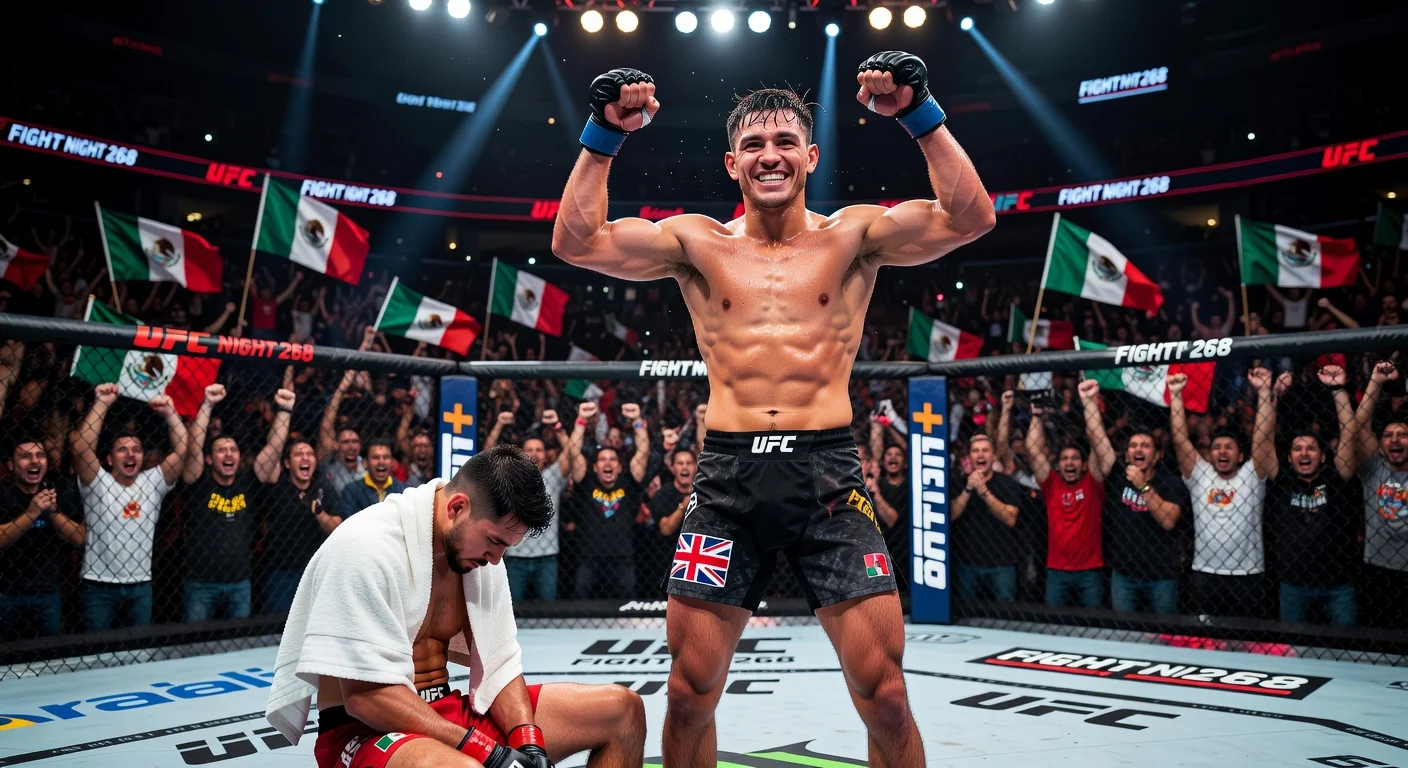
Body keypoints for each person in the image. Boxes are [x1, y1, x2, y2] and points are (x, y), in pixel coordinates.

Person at [552, 51, 994, 766]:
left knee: (885, 694)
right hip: (728, 484)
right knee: (689, 693)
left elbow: (970, 218)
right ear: (733, 163)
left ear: (810, 156)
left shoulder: (852, 236)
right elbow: (576, 242)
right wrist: (604, 134)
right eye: (754, 143)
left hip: (829, 479)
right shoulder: (696, 241)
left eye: (786, 140)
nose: (770, 155)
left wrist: (921, 114)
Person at [266, 444, 647, 768]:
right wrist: (489, 752)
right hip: (366, 731)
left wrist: (528, 743)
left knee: (623, 710)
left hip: (447, 713)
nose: (496, 560)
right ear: (457, 507)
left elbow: (500, 664)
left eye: (505, 547)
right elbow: (367, 698)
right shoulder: (365, 547)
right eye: (494, 541)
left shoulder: (475, 553)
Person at [72, 384, 189, 631]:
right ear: (109, 459)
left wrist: (170, 412)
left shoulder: (152, 481)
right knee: (97, 650)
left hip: (141, 586)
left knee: (139, 649)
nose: (130, 455)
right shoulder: (98, 482)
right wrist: (102, 403)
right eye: (122, 449)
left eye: (136, 449)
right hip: (98, 585)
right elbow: (82, 448)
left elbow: (181, 450)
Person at [180, 384, 294, 623]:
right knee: (195, 642)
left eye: (233, 450)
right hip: (201, 584)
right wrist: (207, 405)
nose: (229, 454)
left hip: (239, 583)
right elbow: (193, 448)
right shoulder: (198, 482)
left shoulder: (247, 481)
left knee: (239, 641)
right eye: (221, 450)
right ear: (210, 459)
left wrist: (284, 410)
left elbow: (274, 449)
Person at [1170, 367, 1277, 619]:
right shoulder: (1201, 474)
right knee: (1208, 637)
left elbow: (1262, 439)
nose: (1222, 451)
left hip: (1247, 575)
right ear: (1209, 454)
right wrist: (1175, 396)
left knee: (1246, 638)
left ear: (1240, 456)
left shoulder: (1251, 475)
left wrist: (1263, 391)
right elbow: (1180, 440)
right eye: (1217, 447)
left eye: (1229, 447)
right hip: (1205, 573)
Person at [1265, 364, 1359, 626]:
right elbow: (1262, 440)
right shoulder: (1282, 480)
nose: (1304, 453)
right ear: (1289, 457)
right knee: (1295, 645)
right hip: (1293, 585)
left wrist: (1338, 389)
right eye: (1297, 449)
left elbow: (1349, 434)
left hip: (1338, 585)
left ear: (1323, 456)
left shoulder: (1336, 478)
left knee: (1345, 645)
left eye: (1311, 448)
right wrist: (1272, 395)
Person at [1018, 385, 1106, 608]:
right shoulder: (1052, 484)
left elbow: (1098, 444)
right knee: (1055, 624)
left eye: (1075, 458)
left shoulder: (1093, 483)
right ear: (1058, 465)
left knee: (1093, 625)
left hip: (1090, 571)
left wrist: (1089, 404)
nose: (1069, 462)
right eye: (1065, 459)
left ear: (1084, 465)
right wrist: (1036, 416)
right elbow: (1033, 450)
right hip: (1057, 571)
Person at [0, 438, 84, 639]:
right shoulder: (2, 493)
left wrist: (53, 512)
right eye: (25, 456)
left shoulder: (59, 489)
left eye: (40, 455)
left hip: (48, 591)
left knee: (49, 651)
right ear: (11, 464)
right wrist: (32, 513)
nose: (34, 461)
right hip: (6, 591)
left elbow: (79, 538)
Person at [565, 404, 650, 599]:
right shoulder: (586, 483)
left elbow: (643, 452)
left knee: (626, 605)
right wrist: (581, 420)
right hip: (589, 558)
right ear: (595, 467)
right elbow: (574, 453)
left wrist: (637, 420)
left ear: (619, 467)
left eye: (612, 459)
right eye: (603, 459)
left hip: (622, 559)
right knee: (581, 604)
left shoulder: (628, 482)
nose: (608, 463)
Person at [1348, 360, 1408, 629]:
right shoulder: (1375, 468)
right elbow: (1359, 428)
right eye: (1388, 435)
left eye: (1402, 435)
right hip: (1376, 570)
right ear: (1381, 445)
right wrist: (1375, 382)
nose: (1394, 439)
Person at [502, 408, 582, 603]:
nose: (534, 453)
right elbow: (487, 456)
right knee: (512, 611)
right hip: (515, 556)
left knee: (548, 612)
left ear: (545, 455)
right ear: (521, 454)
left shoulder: (553, 476)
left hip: (546, 558)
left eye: (539, 449)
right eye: (529, 449)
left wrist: (558, 427)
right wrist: (499, 425)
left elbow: (571, 453)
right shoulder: (509, 477)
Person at [259, 439, 343, 613]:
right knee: (278, 622)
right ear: (287, 463)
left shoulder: (324, 488)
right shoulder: (277, 485)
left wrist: (319, 513)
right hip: (281, 571)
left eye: (310, 454)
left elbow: (337, 527)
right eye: (298, 454)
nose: (305, 458)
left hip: (316, 571)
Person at [951, 435, 1026, 602]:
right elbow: (951, 515)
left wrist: (983, 491)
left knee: (1006, 612)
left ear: (993, 456)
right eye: (975, 451)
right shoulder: (958, 483)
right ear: (969, 457)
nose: (980, 455)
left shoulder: (1007, 483)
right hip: (967, 562)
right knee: (966, 612)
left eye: (985, 450)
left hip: (1002, 563)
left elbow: (1010, 518)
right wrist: (968, 489)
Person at [867, 416, 911, 585]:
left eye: (898, 455)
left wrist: (890, 427)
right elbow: (875, 454)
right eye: (889, 454)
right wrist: (877, 427)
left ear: (904, 461)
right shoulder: (878, 484)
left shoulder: (910, 485)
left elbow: (909, 450)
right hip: (882, 550)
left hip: (907, 551)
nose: (893, 458)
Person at [341, 437, 407, 514]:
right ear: (365, 462)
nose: (381, 462)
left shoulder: (403, 491)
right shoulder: (351, 492)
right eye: (376, 457)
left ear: (392, 462)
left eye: (386, 457)